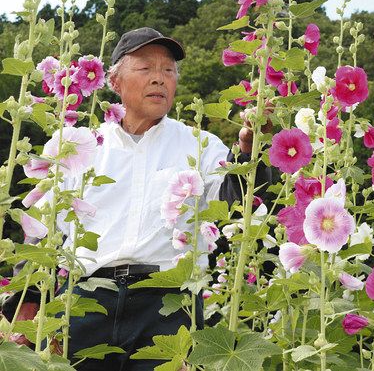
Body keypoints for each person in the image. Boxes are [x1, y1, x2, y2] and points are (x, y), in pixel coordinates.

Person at [4, 27, 271, 370]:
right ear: (114, 82)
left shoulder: (200, 145)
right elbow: (41, 226)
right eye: (145, 69)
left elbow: (241, 202)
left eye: (168, 70)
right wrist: (27, 307)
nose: (159, 79)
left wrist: (250, 150)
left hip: (168, 303)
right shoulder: (83, 143)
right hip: (86, 300)